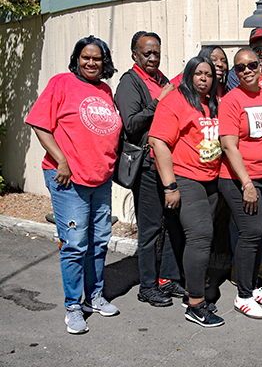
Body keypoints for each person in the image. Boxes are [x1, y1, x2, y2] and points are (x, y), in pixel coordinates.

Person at [26, 36, 122, 334]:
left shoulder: (104, 90)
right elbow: (40, 124)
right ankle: (73, 307)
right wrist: (62, 160)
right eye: (85, 57)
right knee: (75, 244)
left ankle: (94, 297)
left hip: (100, 178)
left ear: (104, 63)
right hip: (68, 178)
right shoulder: (61, 83)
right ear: (77, 59)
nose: (91, 63)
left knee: (99, 240)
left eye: (97, 59)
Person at [148, 56, 224, 327]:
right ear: (189, 75)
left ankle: (191, 289)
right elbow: (158, 142)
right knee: (200, 236)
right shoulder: (175, 101)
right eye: (198, 73)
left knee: (199, 238)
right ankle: (196, 305)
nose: (204, 78)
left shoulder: (212, 103)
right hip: (185, 177)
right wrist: (170, 186)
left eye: (209, 75)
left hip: (210, 179)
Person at [114, 31, 184, 308]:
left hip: (167, 165)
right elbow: (131, 124)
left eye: (156, 52)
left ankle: (168, 277)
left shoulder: (162, 80)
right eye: (147, 53)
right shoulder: (130, 82)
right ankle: (147, 286)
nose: (153, 57)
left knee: (173, 223)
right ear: (135, 54)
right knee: (151, 228)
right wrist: (159, 102)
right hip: (146, 166)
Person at [218, 48, 262, 319]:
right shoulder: (231, 101)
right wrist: (247, 184)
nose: (247, 71)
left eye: (252, 65)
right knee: (251, 232)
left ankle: (253, 287)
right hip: (238, 179)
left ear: (260, 67)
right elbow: (229, 146)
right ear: (235, 72)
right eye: (240, 67)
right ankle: (243, 296)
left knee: (260, 232)